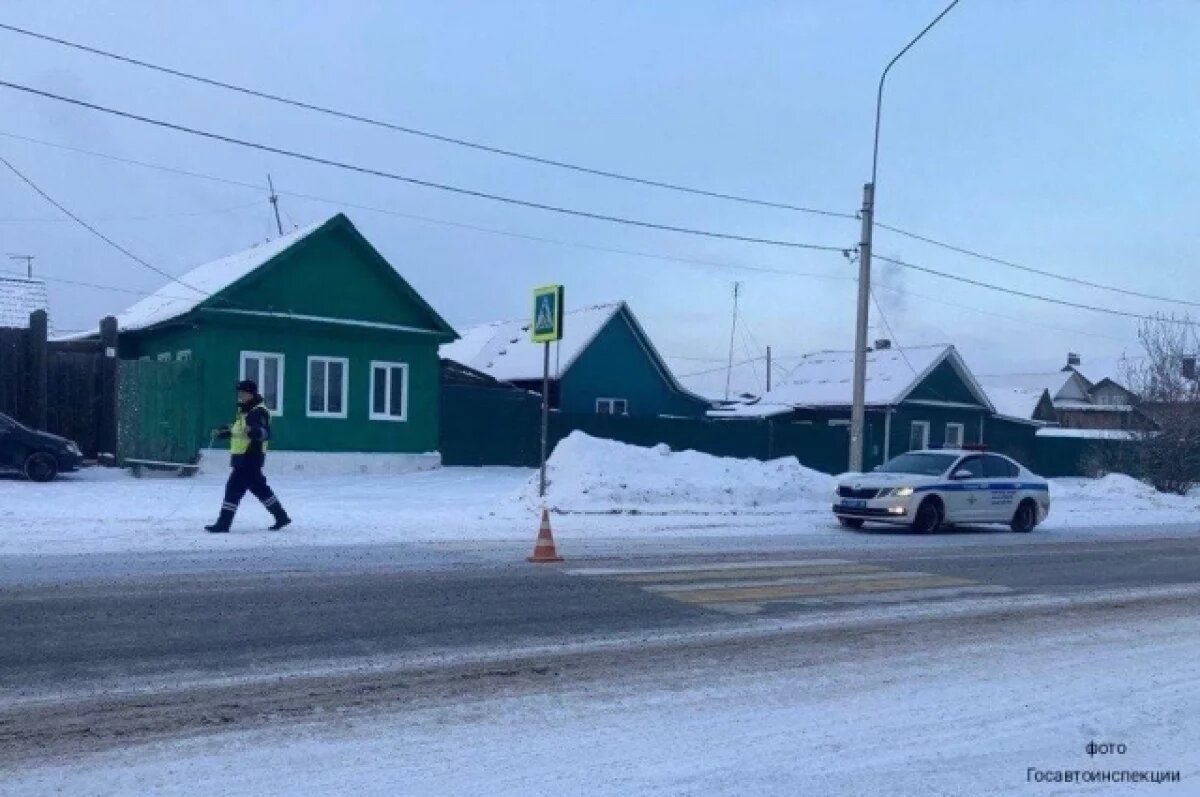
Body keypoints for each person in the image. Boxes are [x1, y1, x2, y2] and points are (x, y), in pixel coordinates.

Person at [205, 379, 291, 533]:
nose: (241, 396)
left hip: (250, 457)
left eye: (243, 393)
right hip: (243, 458)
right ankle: (281, 517)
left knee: (233, 489)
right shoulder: (246, 411)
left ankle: (223, 524)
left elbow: (264, 433)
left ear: (251, 393)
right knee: (260, 488)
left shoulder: (258, 411)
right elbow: (239, 431)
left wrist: (253, 431)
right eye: (239, 393)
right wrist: (223, 433)